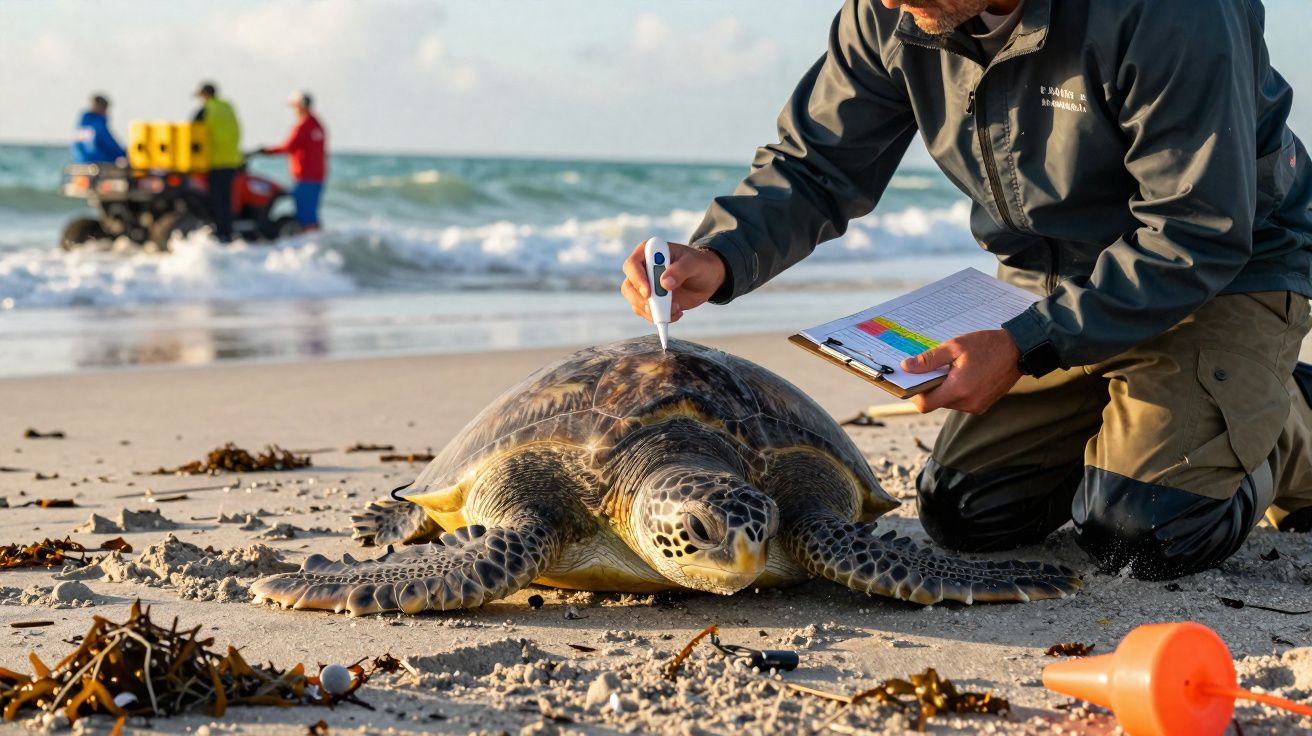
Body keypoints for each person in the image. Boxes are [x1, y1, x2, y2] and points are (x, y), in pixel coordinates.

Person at [620, 0, 1312, 581]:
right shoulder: (895, 8)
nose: (887, 2)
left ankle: (1285, 413)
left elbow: (1197, 230)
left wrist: (1026, 345)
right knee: (968, 516)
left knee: (1146, 532)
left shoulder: (1173, 12)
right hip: (1051, 289)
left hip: (1222, 276)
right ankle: (1151, 405)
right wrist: (720, 252)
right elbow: (816, 164)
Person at [259, 91, 327, 231]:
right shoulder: (317, 124)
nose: (294, 111)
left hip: (305, 177)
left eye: (294, 107)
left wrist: (265, 151)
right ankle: (315, 238)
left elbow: (288, 147)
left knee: (305, 216)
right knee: (311, 213)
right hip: (317, 176)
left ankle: (310, 240)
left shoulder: (303, 126)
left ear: (300, 106)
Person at [193, 81, 243, 242]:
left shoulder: (206, 110)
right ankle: (228, 232)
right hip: (232, 160)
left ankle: (220, 234)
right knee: (227, 199)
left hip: (215, 161)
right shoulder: (228, 108)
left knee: (216, 199)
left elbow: (192, 133)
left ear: (205, 95)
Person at [70, 93, 126, 165]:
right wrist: (123, 154)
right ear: (101, 108)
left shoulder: (80, 125)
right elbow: (110, 145)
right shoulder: (97, 124)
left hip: (80, 163)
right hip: (97, 164)